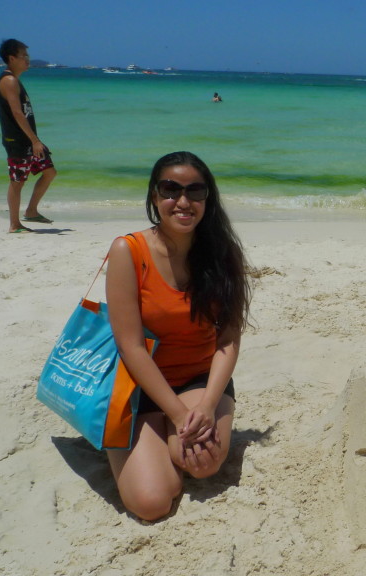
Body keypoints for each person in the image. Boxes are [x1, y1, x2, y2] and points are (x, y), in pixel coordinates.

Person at [104, 151, 252, 521]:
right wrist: (176, 412)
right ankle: (145, 434)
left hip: (198, 380)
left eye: (195, 191)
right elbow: (131, 346)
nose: (183, 202)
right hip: (136, 387)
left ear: (207, 199)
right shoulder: (129, 250)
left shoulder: (223, 254)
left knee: (202, 464)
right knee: (152, 502)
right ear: (155, 196)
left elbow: (228, 340)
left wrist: (205, 406)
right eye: (170, 190)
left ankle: (165, 437)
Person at [0, 39, 56, 233]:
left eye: (27, 56)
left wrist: (35, 141)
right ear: (11, 58)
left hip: (28, 140)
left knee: (49, 172)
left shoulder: (15, 80)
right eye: (24, 56)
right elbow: (17, 113)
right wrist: (35, 141)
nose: (27, 59)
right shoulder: (9, 80)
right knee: (17, 181)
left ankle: (31, 211)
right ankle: (14, 224)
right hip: (18, 141)